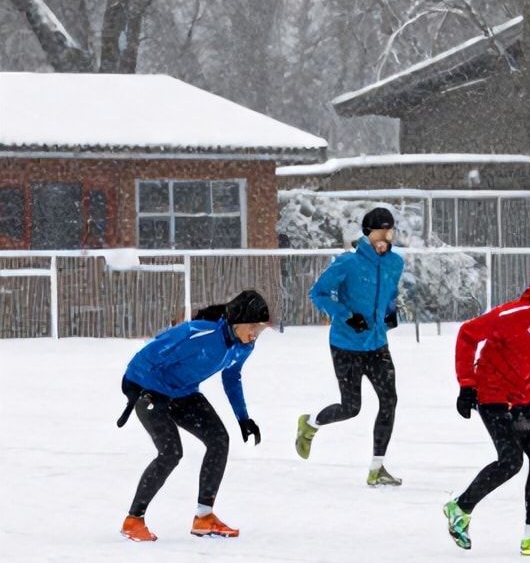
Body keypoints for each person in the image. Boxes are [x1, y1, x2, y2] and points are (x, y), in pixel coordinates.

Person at [442, 264, 530, 558]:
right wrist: (467, 384)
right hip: (492, 395)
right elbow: (468, 334)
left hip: (525, 398)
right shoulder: (516, 314)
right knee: (511, 461)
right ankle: (461, 507)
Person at [116, 290, 270, 541]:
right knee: (171, 452)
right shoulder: (201, 333)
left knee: (219, 440)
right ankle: (133, 520)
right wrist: (135, 387)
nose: (255, 334)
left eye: (260, 329)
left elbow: (232, 377)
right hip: (149, 389)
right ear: (237, 322)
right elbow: (151, 351)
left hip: (183, 393)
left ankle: (204, 517)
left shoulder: (244, 346)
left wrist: (243, 418)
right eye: (253, 327)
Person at [297, 206, 406, 486]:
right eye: (380, 233)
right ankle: (310, 423)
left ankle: (377, 468)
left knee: (389, 400)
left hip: (377, 344)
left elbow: (390, 294)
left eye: (389, 232)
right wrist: (346, 315)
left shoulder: (395, 263)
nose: (385, 238)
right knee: (351, 407)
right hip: (346, 345)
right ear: (368, 233)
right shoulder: (348, 263)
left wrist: (390, 312)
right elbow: (318, 293)